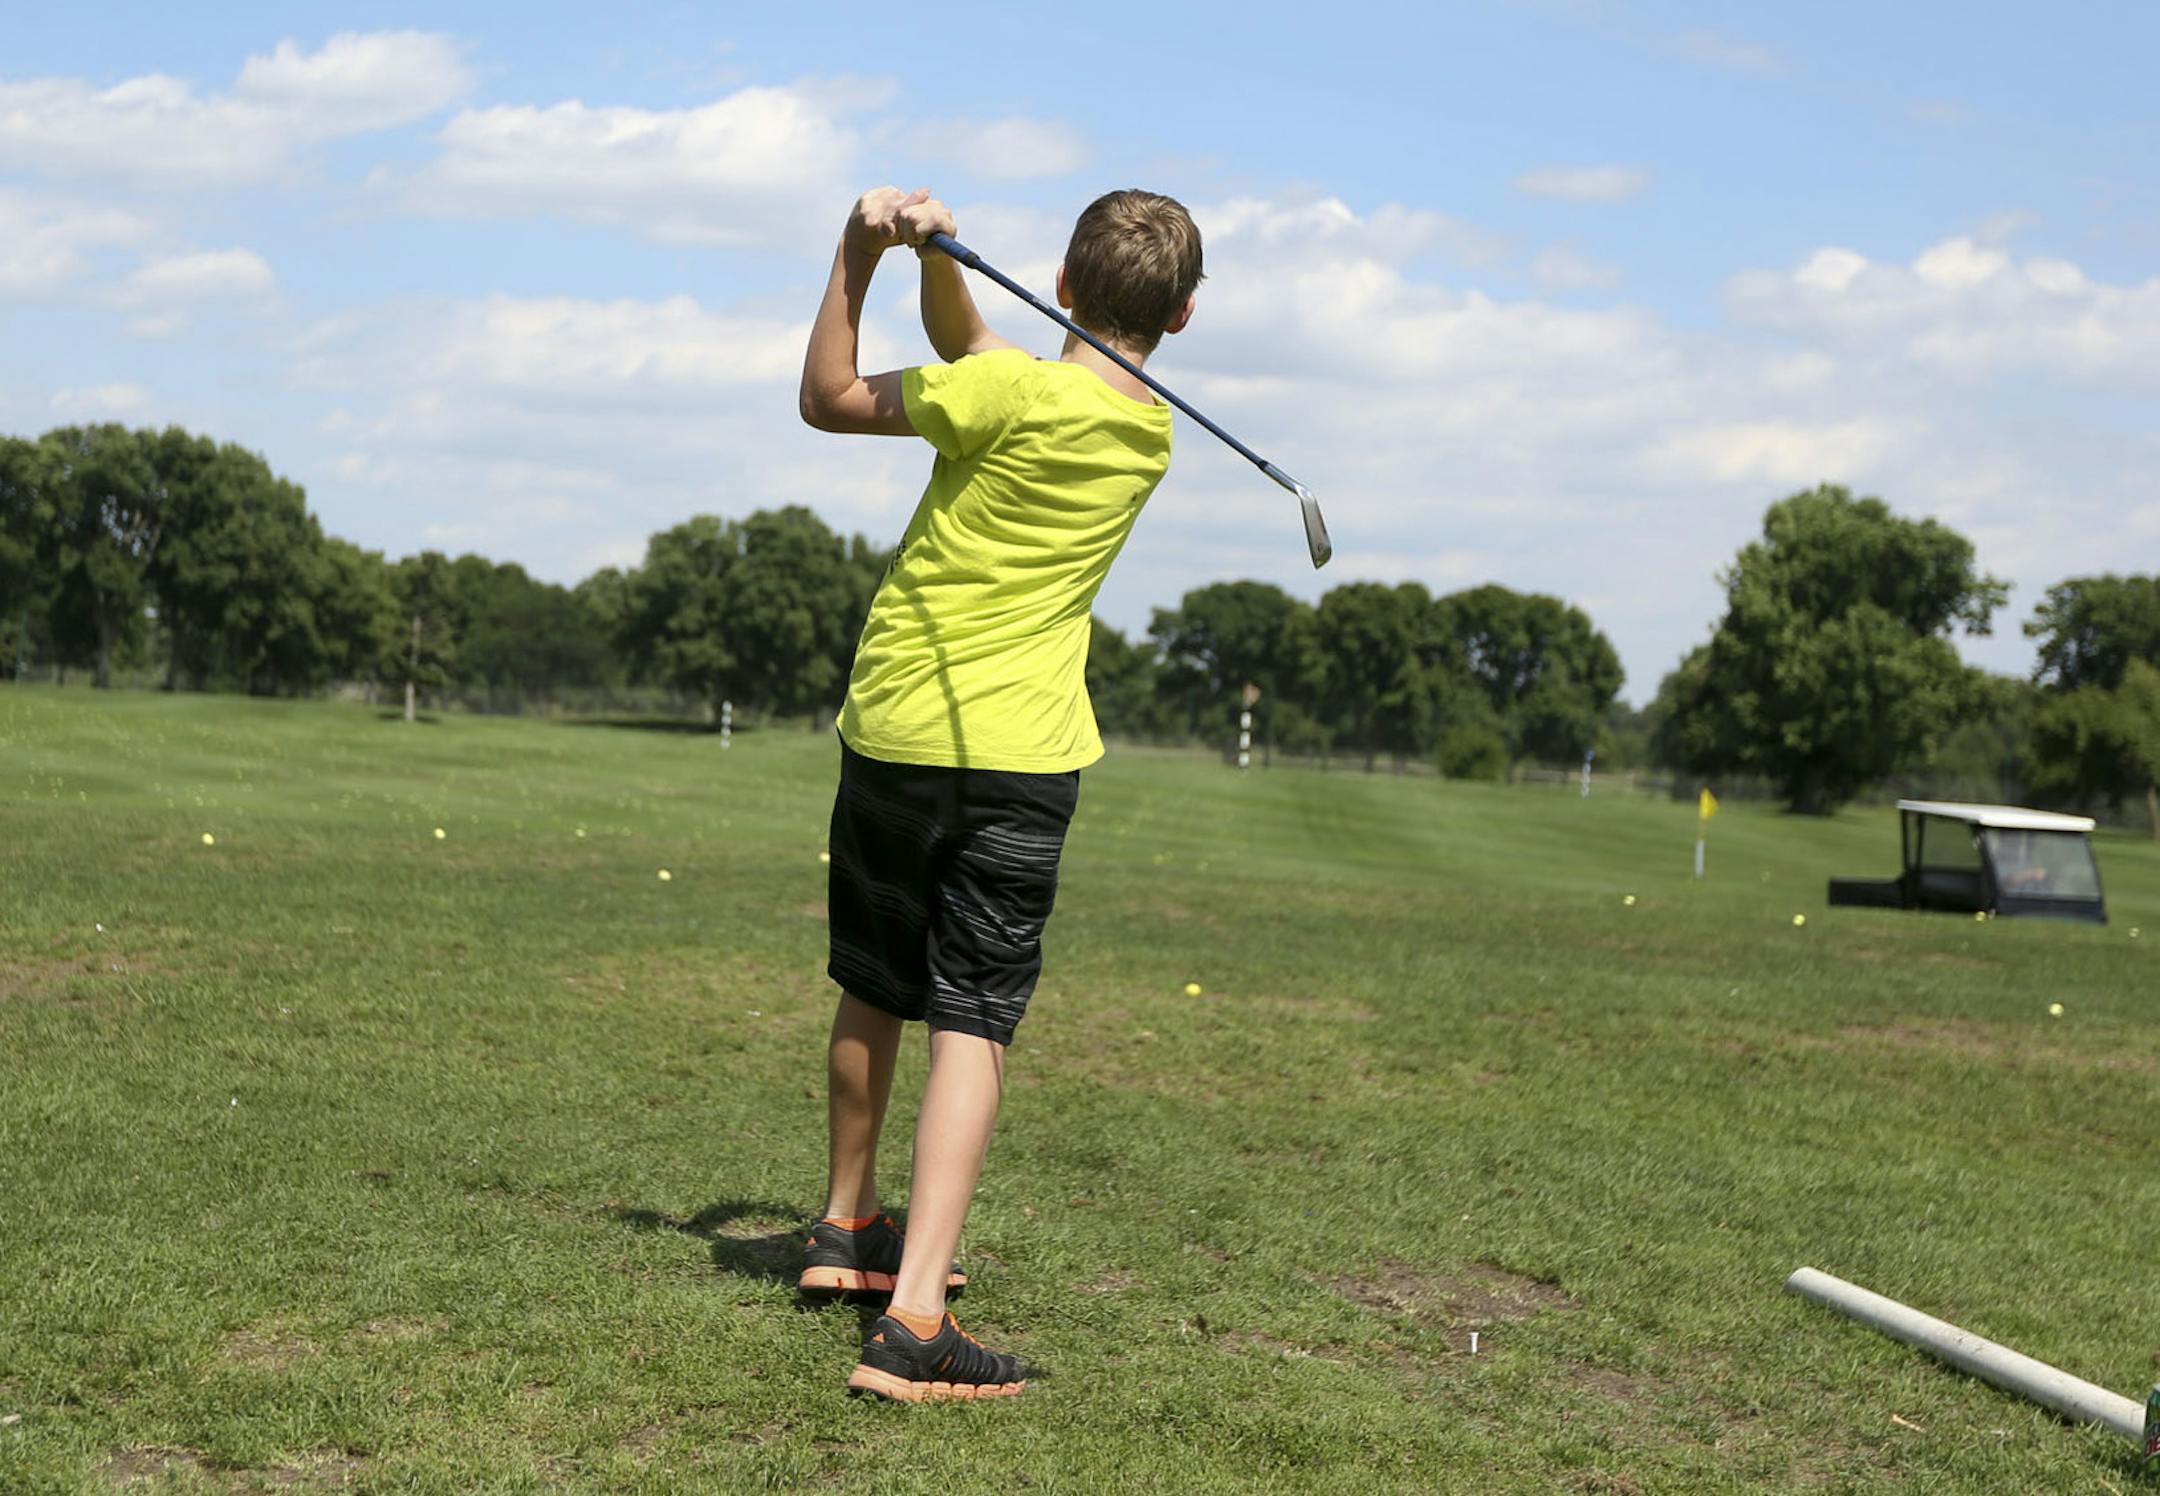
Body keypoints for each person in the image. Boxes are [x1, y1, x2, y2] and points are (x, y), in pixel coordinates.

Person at [795, 184, 1201, 1401]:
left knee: (874, 980)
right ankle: (909, 1301)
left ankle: (840, 1224)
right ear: (1183, 317)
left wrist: (860, 253)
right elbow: (981, 351)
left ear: (1064, 284)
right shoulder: (1151, 434)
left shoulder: (1001, 392)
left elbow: (829, 399)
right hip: (1027, 755)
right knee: (972, 1014)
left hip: (901, 721)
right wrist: (942, 265)